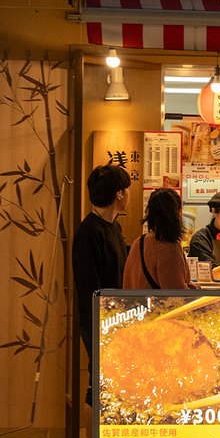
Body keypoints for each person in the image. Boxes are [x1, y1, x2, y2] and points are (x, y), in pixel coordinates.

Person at [120, 187, 198, 438]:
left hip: (138, 337)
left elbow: (128, 286)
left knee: (144, 415)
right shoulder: (169, 246)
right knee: (165, 416)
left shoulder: (138, 244)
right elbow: (175, 296)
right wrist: (195, 291)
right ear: (176, 213)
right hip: (164, 341)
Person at [72, 165, 130, 413]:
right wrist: (103, 324)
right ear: (119, 194)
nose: (128, 195)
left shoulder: (114, 227)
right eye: (126, 190)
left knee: (112, 382)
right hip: (99, 321)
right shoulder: (88, 232)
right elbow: (88, 287)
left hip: (117, 318)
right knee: (98, 384)